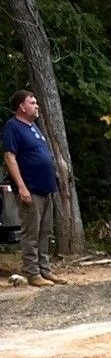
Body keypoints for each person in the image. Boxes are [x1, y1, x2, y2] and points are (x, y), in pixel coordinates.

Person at [3, 91, 61, 288]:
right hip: (30, 188)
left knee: (45, 231)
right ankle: (32, 272)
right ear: (22, 106)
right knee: (31, 233)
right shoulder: (13, 127)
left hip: (46, 188)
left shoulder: (33, 127)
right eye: (33, 102)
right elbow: (10, 157)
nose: (37, 106)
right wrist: (21, 187)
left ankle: (45, 270)